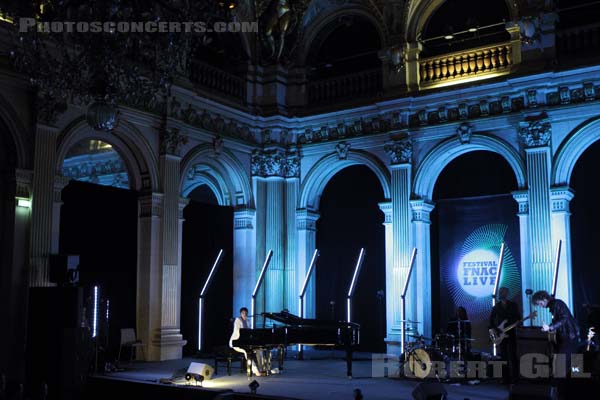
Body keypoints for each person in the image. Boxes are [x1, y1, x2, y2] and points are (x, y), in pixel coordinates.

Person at [532, 290, 580, 379]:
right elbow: (560, 320)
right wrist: (550, 326)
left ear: (544, 299)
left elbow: (565, 318)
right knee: (566, 364)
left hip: (570, 337)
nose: (540, 306)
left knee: (563, 363)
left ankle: (560, 388)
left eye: (540, 303)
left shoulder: (558, 304)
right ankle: (564, 388)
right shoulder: (554, 306)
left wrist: (550, 327)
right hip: (568, 337)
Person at [489, 287, 521, 384]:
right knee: (504, 357)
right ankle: (506, 378)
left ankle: (515, 378)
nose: (501, 294)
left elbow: (518, 318)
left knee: (513, 356)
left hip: (511, 333)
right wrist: (494, 331)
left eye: (503, 292)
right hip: (501, 334)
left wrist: (515, 324)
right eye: (500, 292)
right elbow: (491, 321)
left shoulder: (513, 305)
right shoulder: (496, 307)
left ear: (507, 294)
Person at [229, 307, 266, 376]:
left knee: (259, 350)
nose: (244, 314)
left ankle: (261, 369)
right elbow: (238, 331)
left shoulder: (248, 321)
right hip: (236, 342)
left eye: (246, 313)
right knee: (247, 352)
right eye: (243, 313)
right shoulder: (238, 320)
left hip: (246, 342)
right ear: (240, 314)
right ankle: (255, 371)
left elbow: (250, 332)